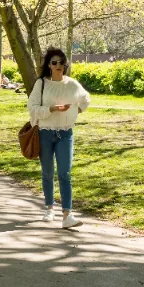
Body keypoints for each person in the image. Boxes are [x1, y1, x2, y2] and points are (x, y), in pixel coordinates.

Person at [27, 47, 91, 229]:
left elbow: (86, 99)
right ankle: (49, 208)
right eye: (54, 62)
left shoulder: (72, 84)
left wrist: (75, 112)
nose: (58, 66)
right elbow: (31, 108)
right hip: (45, 133)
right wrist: (52, 109)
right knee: (48, 173)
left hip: (65, 133)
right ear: (49, 65)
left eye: (62, 63)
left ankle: (67, 215)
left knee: (65, 173)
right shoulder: (41, 84)